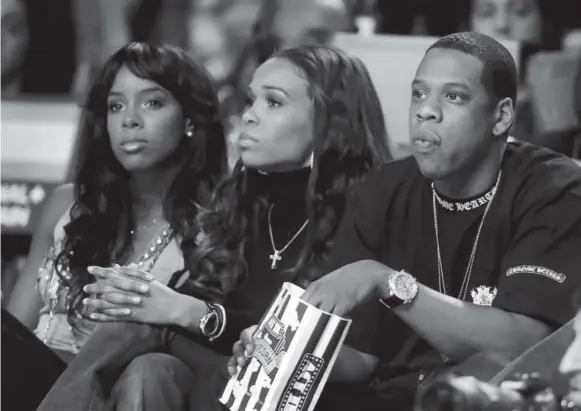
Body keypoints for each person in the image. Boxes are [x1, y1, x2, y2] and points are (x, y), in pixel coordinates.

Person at [230, 31, 581, 410]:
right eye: (419, 94)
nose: (426, 111)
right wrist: (284, 351)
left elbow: (524, 345)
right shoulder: (384, 188)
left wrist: (389, 283)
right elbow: (361, 358)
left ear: (501, 116)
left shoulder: (552, 188)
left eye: (453, 96)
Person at [37, 44, 392, 411]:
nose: (250, 116)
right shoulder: (243, 198)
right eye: (251, 100)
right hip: (220, 378)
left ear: (329, 119)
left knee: (143, 326)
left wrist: (190, 313)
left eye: (273, 103)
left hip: (302, 397)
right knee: (149, 366)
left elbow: (361, 361)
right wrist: (168, 306)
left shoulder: (370, 207)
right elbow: (195, 311)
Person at [4, 42, 227, 410]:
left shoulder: (214, 223)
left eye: (152, 103)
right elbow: (17, 325)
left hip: (119, 387)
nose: (130, 120)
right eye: (116, 105)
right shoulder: (68, 205)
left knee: (151, 367)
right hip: (39, 374)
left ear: (190, 119)